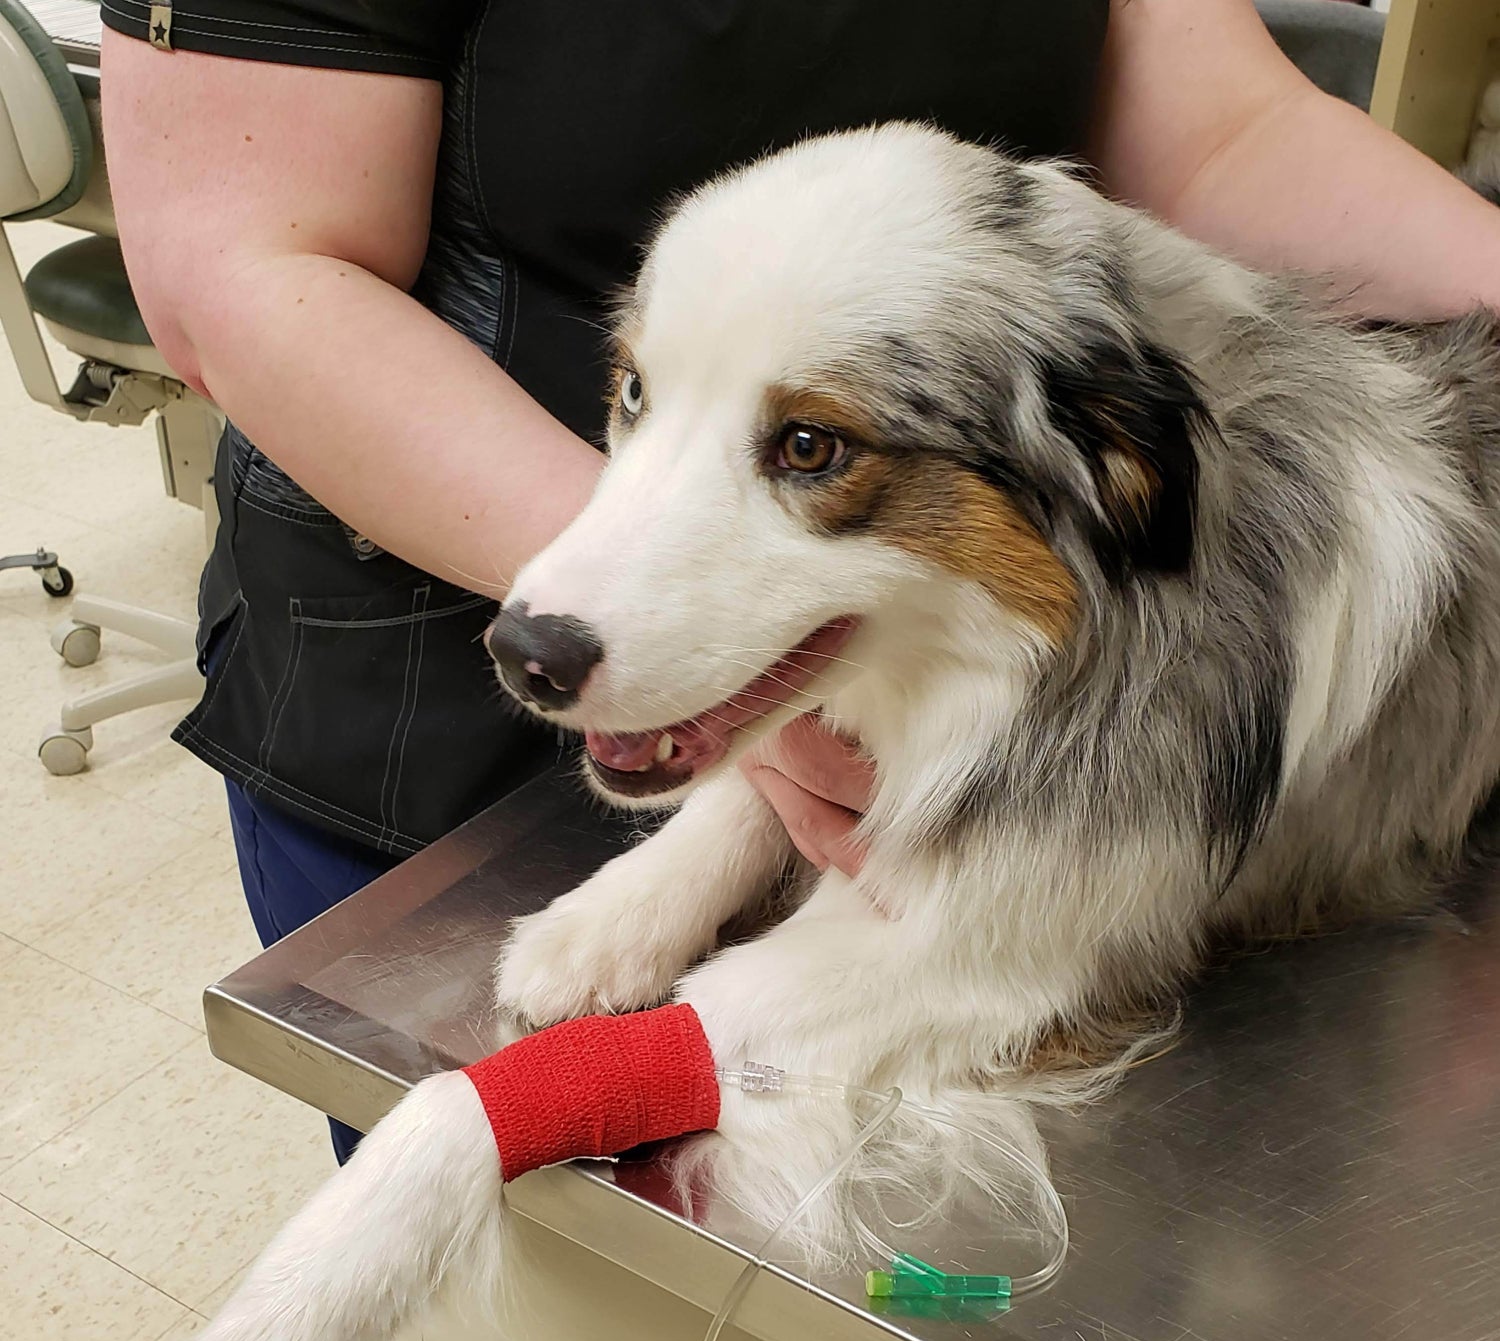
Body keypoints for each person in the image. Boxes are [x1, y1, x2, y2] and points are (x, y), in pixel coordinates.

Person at [101, 0, 1500, 1164]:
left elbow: (1227, 127)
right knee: (512, 1299)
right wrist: (672, 615)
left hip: (913, 600)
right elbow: (244, 266)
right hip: (431, 665)